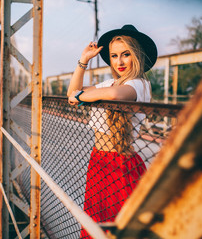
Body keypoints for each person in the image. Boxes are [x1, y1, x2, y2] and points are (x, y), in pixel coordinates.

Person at [66, 24, 157, 238]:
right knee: (97, 225)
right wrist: (83, 60)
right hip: (98, 161)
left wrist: (80, 98)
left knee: (119, 229)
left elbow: (115, 95)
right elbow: (72, 92)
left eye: (126, 54)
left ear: (137, 56)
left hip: (121, 163)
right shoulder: (109, 82)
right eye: (114, 56)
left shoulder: (140, 84)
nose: (120, 61)